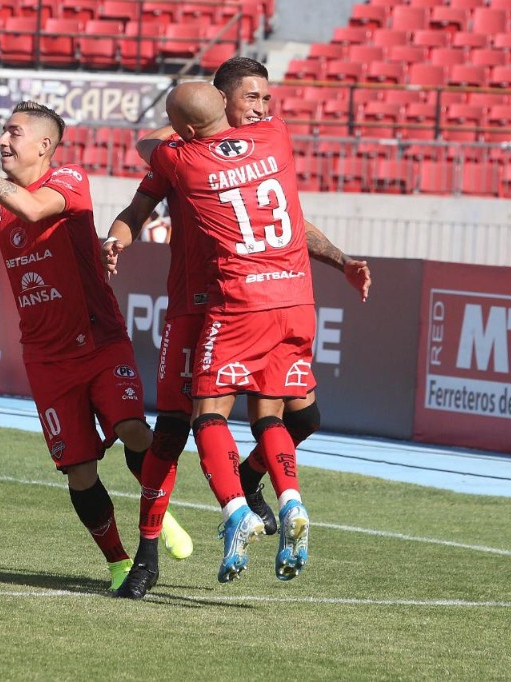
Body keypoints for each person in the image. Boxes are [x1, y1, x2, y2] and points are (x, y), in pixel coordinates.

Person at [107, 58, 370, 598]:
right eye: (252, 98)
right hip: (196, 309)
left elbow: (294, 221)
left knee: (304, 415)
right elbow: (136, 208)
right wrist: (117, 239)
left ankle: (245, 483)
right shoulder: (229, 148)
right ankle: (148, 555)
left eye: (267, 101)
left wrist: (340, 259)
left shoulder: (198, 151)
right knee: (174, 431)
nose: (263, 109)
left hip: (240, 305)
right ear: (223, 102)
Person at [0, 101, 192, 592]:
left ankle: (157, 514)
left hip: (100, 340)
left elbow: (34, 208)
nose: (3, 140)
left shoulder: (68, 181)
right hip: (45, 357)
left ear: (44, 145)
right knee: (79, 471)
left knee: (132, 429)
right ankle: (119, 564)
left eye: (14, 133)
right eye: (2, 131)